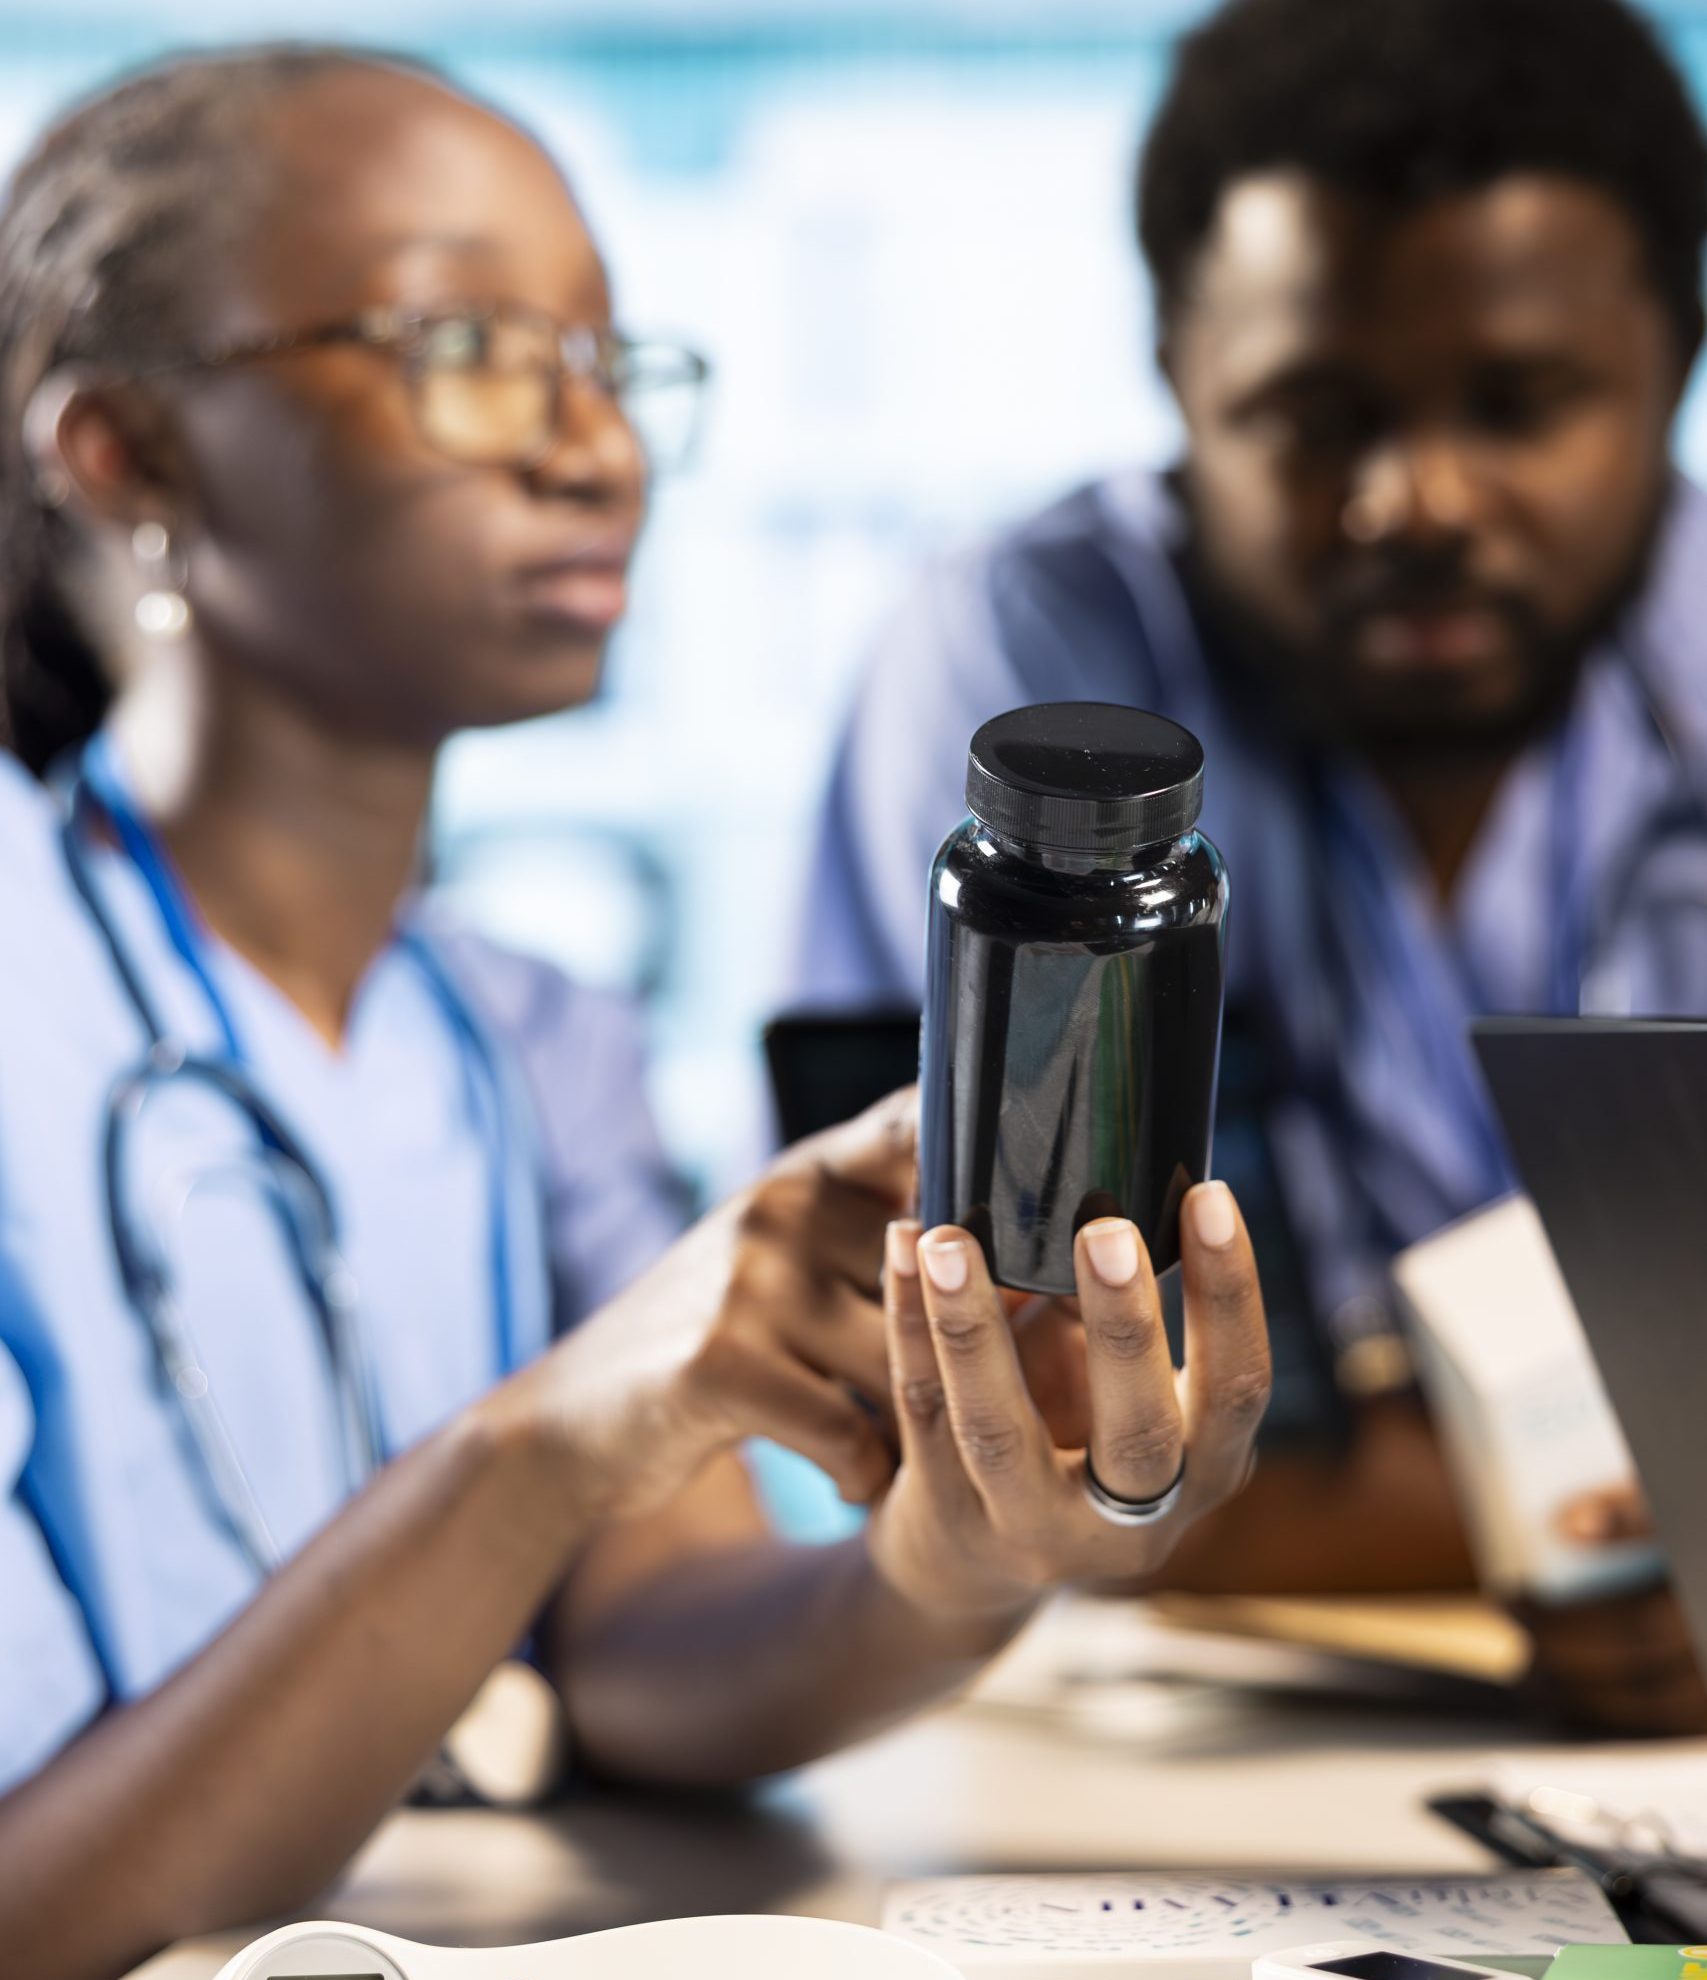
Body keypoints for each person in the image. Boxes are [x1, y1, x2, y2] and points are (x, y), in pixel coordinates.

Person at [0, 46, 1273, 1980]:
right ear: (129, 456)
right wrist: (545, 1439)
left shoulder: (533, 1041)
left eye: (610, 364)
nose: (595, 447)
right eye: (471, 348)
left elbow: (646, 1662)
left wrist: (952, 1558)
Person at [794, 0, 1707, 1731]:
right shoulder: (1019, 671)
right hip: (1154, 1712)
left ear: (1680, 355)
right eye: (1312, 414)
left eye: (1521, 404)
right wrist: (1622, 1512)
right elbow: (966, 1401)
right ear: (1176, 375)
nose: (1417, 500)